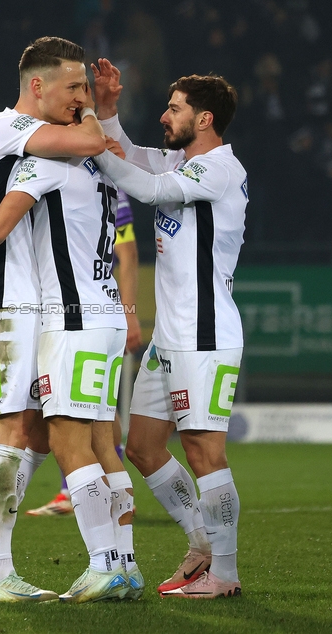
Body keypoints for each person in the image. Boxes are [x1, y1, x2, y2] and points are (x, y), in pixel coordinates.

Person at [0, 47, 141, 604]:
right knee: (27, 433)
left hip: (56, 311)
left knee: (47, 436)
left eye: (85, 90)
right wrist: (103, 110)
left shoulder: (55, 158)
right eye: (73, 89)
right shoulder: (11, 131)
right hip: (10, 303)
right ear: (37, 86)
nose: (80, 100)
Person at [91, 60, 245, 599]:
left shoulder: (220, 168)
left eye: (174, 108)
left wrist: (97, 153)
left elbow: (150, 189)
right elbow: (130, 157)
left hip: (205, 331)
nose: (164, 115)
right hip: (170, 335)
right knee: (144, 446)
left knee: (204, 452)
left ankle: (224, 574)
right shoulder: (181, 162)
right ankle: (202, 544)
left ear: (204, 118)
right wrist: (107, 112)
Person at [26, 186, 141, 516]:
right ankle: (119, 545)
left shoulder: (70, 180)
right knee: (100, 418)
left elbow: (128, 252)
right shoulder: (106, 181)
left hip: (80, 312)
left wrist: (131, 311)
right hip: (88, 310)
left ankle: (86, 503)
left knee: (74, 417)